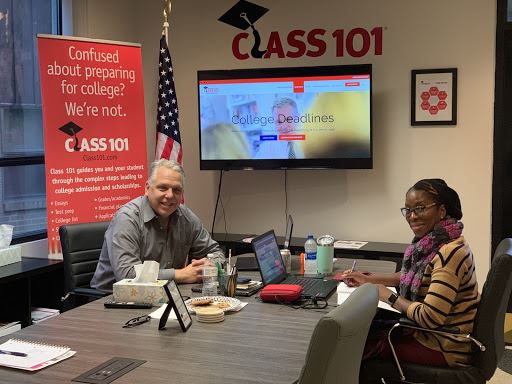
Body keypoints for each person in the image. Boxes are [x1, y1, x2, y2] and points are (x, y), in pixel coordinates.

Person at [340, 178, 479, 367]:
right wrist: (369, 280)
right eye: (408, 210)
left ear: (442, 211)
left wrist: (387, 295)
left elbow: (430, 317)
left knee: (353, 348)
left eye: (420, 208)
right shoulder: (435, 243)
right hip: (430, 334)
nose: (412, 216)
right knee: (360, 334)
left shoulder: (449, 253)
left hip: (443, 345)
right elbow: (415, 277)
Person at [91, 159, 224, 293]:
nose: (170, 195)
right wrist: (181, 274)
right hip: (110, 300)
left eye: (176, 190)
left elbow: (216, 253)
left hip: (162, 295)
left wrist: (209, 265)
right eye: (163, 188)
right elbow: (127, 275)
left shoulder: (186, 218)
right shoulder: (128, 218)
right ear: (147, 189)